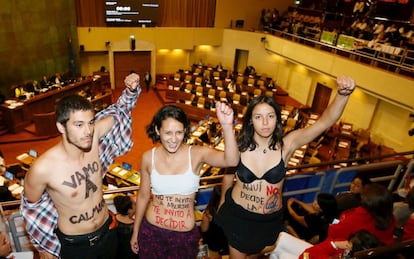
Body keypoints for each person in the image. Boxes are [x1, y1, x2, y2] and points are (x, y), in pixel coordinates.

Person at [215, 75, 356, 258]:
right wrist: (222, 203)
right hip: (240, 216)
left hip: (269, 220)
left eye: (270, 116)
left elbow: (324, 122)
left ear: (277, 118)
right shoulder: (240, 146)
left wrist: (342, 95)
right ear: (250, 120)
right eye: (259, 117)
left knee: (259, 253)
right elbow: (227, 174)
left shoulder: (287, 145)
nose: (265, 123)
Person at [21, 73, 141, 258]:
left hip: (108, 232)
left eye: (90, 122)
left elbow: (120, 109)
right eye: (78, 125)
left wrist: (131, 90)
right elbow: (31, 208)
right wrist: (43, 247)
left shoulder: (93, 137)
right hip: (76, 247)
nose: (88, 131)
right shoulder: (42, 169)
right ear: (61, 127)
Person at [130, 102, 239, 258]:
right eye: (168, 133)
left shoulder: (196, 154)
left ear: (185, 131)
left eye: (179, 132)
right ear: (157, 130)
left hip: (183, 238)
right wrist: (135, 231)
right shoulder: (148, 157)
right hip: (151, 231)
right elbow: (142, 196)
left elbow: (232, 161)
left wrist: (227, 126)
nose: (174, 139)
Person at [299, 183, 396, 258]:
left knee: (284, 241)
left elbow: (306, 255)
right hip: (348, 251)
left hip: (333, 251)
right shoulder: (389, 219)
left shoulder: (357, 218)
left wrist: (333, 244)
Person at [200, 186, 229, 256]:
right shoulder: (233, 211)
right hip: (228, 247)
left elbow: (203, 229)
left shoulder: (209, 212)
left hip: (213, 247)